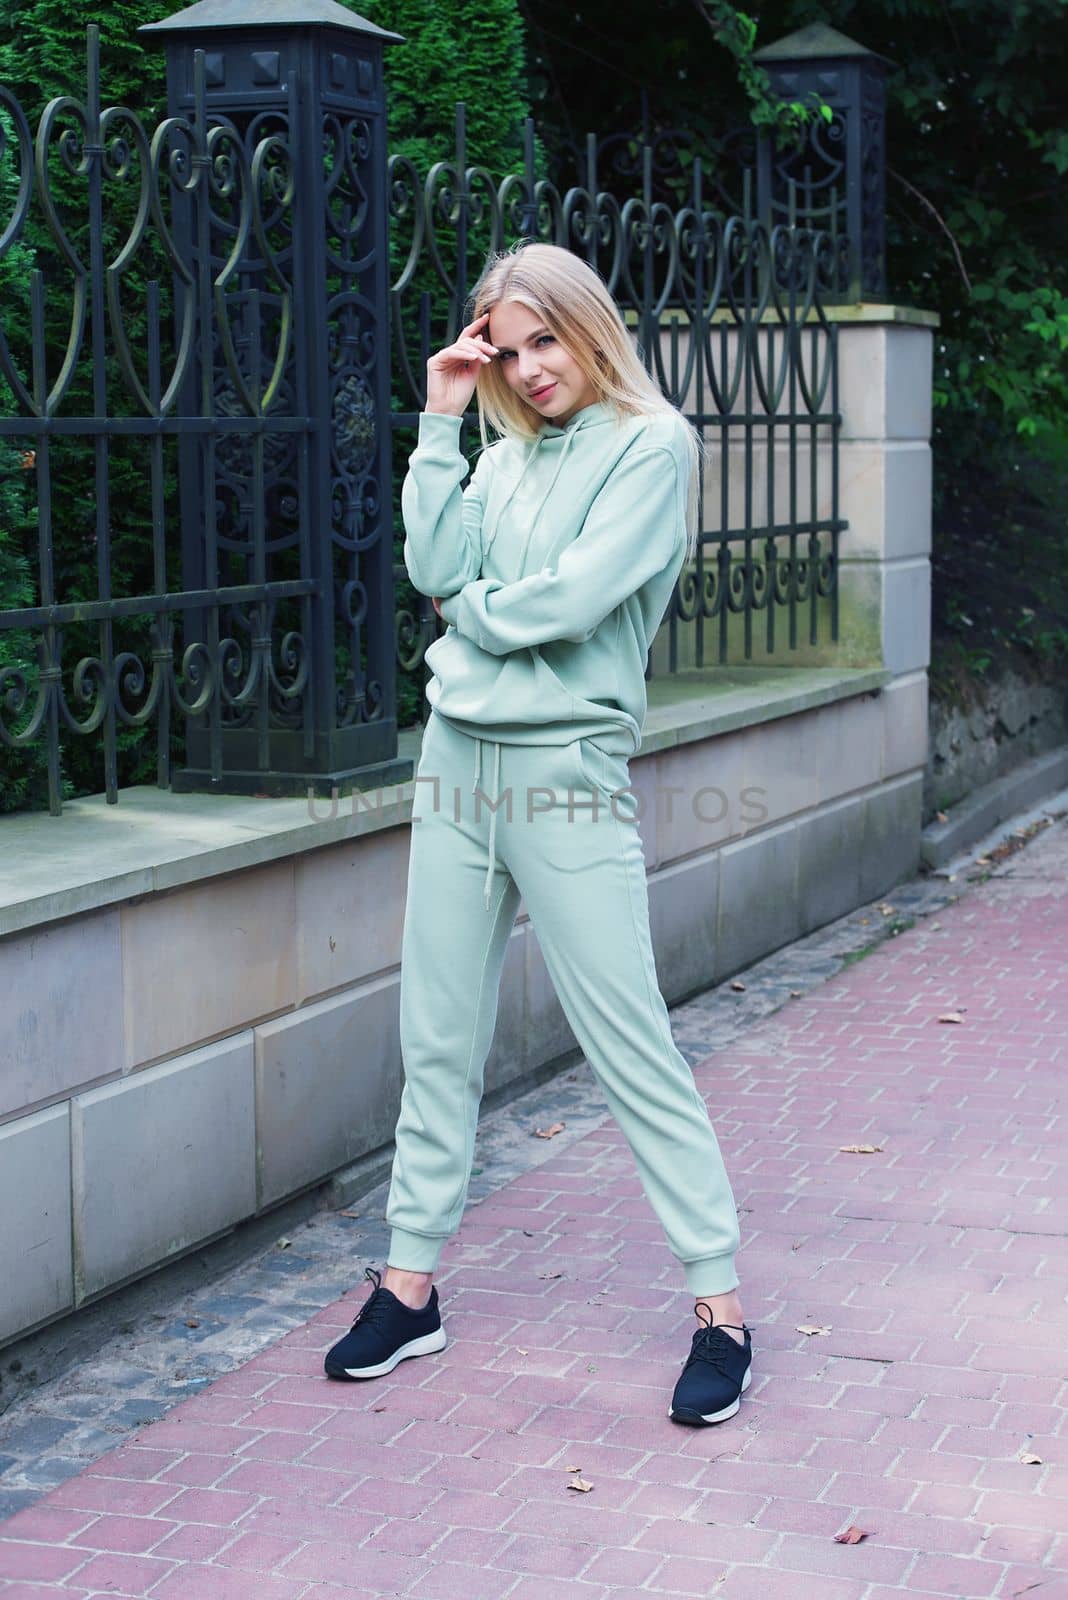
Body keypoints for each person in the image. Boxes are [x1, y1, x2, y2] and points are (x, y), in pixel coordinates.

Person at [324, 241, 751, 1426]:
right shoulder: (502, 448)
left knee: (628, 1037)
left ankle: (721, 1307)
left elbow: (571, 602)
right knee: (437, 1030)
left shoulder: (653, 445)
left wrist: (471, 619)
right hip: (456, 762)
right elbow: (430, 563)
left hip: (566, 766)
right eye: (507, 349)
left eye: (543, 341)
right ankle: (409, 1287)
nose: (529, 366)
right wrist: (442, 419)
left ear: (588, 325)